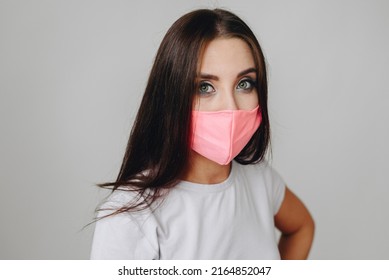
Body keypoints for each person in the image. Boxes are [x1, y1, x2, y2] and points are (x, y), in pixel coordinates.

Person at [90, 8, 314, 260]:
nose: (231, 107)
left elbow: (301, 227)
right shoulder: (130, 215)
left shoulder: (260, 178)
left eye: (244, 84)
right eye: (205, 87)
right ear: (172, 96)